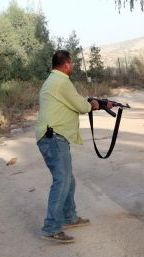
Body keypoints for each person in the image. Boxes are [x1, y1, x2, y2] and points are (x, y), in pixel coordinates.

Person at [36, 50, 110, 243]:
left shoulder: (53, 81)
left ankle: (69, 217)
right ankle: (51, 228)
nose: (73, 66)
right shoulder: (61, 81)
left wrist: (95, 103)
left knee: (69, 180)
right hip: (54, 138)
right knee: (62, 181)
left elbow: (74, 101)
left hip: (53, 137)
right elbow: (81, 106)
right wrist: (93, 104)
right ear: (67, 64)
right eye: (72, 63)